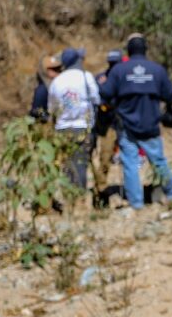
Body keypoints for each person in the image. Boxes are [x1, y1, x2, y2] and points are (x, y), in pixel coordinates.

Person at [101, 34, 172, 209]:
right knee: (158, 161)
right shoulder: (157, 70)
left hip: (127, 125)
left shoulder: (119, 70)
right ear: (145, 50)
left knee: (130, 164)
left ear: (128, 50)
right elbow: (170, 95)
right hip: (151, 124)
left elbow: (105, 93)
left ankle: (136, 203)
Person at [48, 47, 99, 190]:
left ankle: (68, 194)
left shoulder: (57, 81)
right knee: (81, 163)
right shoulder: (86, 76)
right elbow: (96, 99)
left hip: (62, 128)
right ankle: (79, 195)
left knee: (66, 163)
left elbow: (51, 108)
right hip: (83, 126)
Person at [92, 49, 125, 207]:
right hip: (107, 125)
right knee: (105, 158)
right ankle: (101, 190)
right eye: (111, 63)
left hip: (125, 122)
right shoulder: (101, 78)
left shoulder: (127, 77)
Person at [29, 54, 61, 122]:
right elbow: (36, 111)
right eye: (53, 70)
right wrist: (49, 118)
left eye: (58, 69)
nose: (58, 72)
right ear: (45, 71)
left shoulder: (54, 86)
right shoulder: (43, 90)